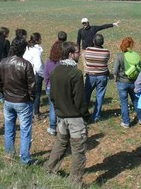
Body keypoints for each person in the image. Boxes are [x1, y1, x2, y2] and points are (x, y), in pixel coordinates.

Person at [44, 41, 89, 184]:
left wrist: (58, 109)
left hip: (61, 117)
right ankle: (75, 182)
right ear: (70, 55)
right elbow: (80, 100)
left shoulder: (55, 71)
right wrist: (85, 115)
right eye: (77, 52)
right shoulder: (75, 73)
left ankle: (49, 168)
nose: (79, 54)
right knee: (78, 150)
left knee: (60, 144)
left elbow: (51, 96)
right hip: (75, 119)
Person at [0, 37, 37, 165]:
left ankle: (9, 155)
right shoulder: (26, 64)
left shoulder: (3, 62)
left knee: (9, 129)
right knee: (25, 131)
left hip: (8, 101)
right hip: (23, 102)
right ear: (24, 49)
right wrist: (31, 98)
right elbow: (32, 86)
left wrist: (3, 93)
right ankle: (24, 159)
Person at [113, 37, 141, 128]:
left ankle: (126, 122)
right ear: (131, 45)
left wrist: (116, 77)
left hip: (122, 82)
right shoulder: (136, 56)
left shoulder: (120, 56)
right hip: (134, 82)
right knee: (136, 100)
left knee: (124, 102)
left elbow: (114, 71)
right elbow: (140, 69)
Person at [84, 33, 110, 123]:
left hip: (90, 76)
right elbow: (106, 62)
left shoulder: (88, 50)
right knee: (100, 96)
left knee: (86, 95)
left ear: (93, 41)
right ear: (102, 42)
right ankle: (96, 116)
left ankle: (84, 113)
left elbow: (86, 59)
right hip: (102, 76)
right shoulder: (106, 52)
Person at [23, 32, 44, 119]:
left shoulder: (28, 48)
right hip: (35, 75)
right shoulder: (36, 51)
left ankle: (28, 112)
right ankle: (36, 113)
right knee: (36, 94)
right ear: (38, 40)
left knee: (28, 93)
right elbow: (38, 66)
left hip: (26, 73)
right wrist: (44, 75)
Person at [43, 41, 62, 136]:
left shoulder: (48, 62)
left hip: (50, 87)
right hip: (61, 88)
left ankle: (52, 128)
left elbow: (45, 75)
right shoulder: (62, 63)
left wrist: (47, 86)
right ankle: (62, 127)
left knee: (52, 108)